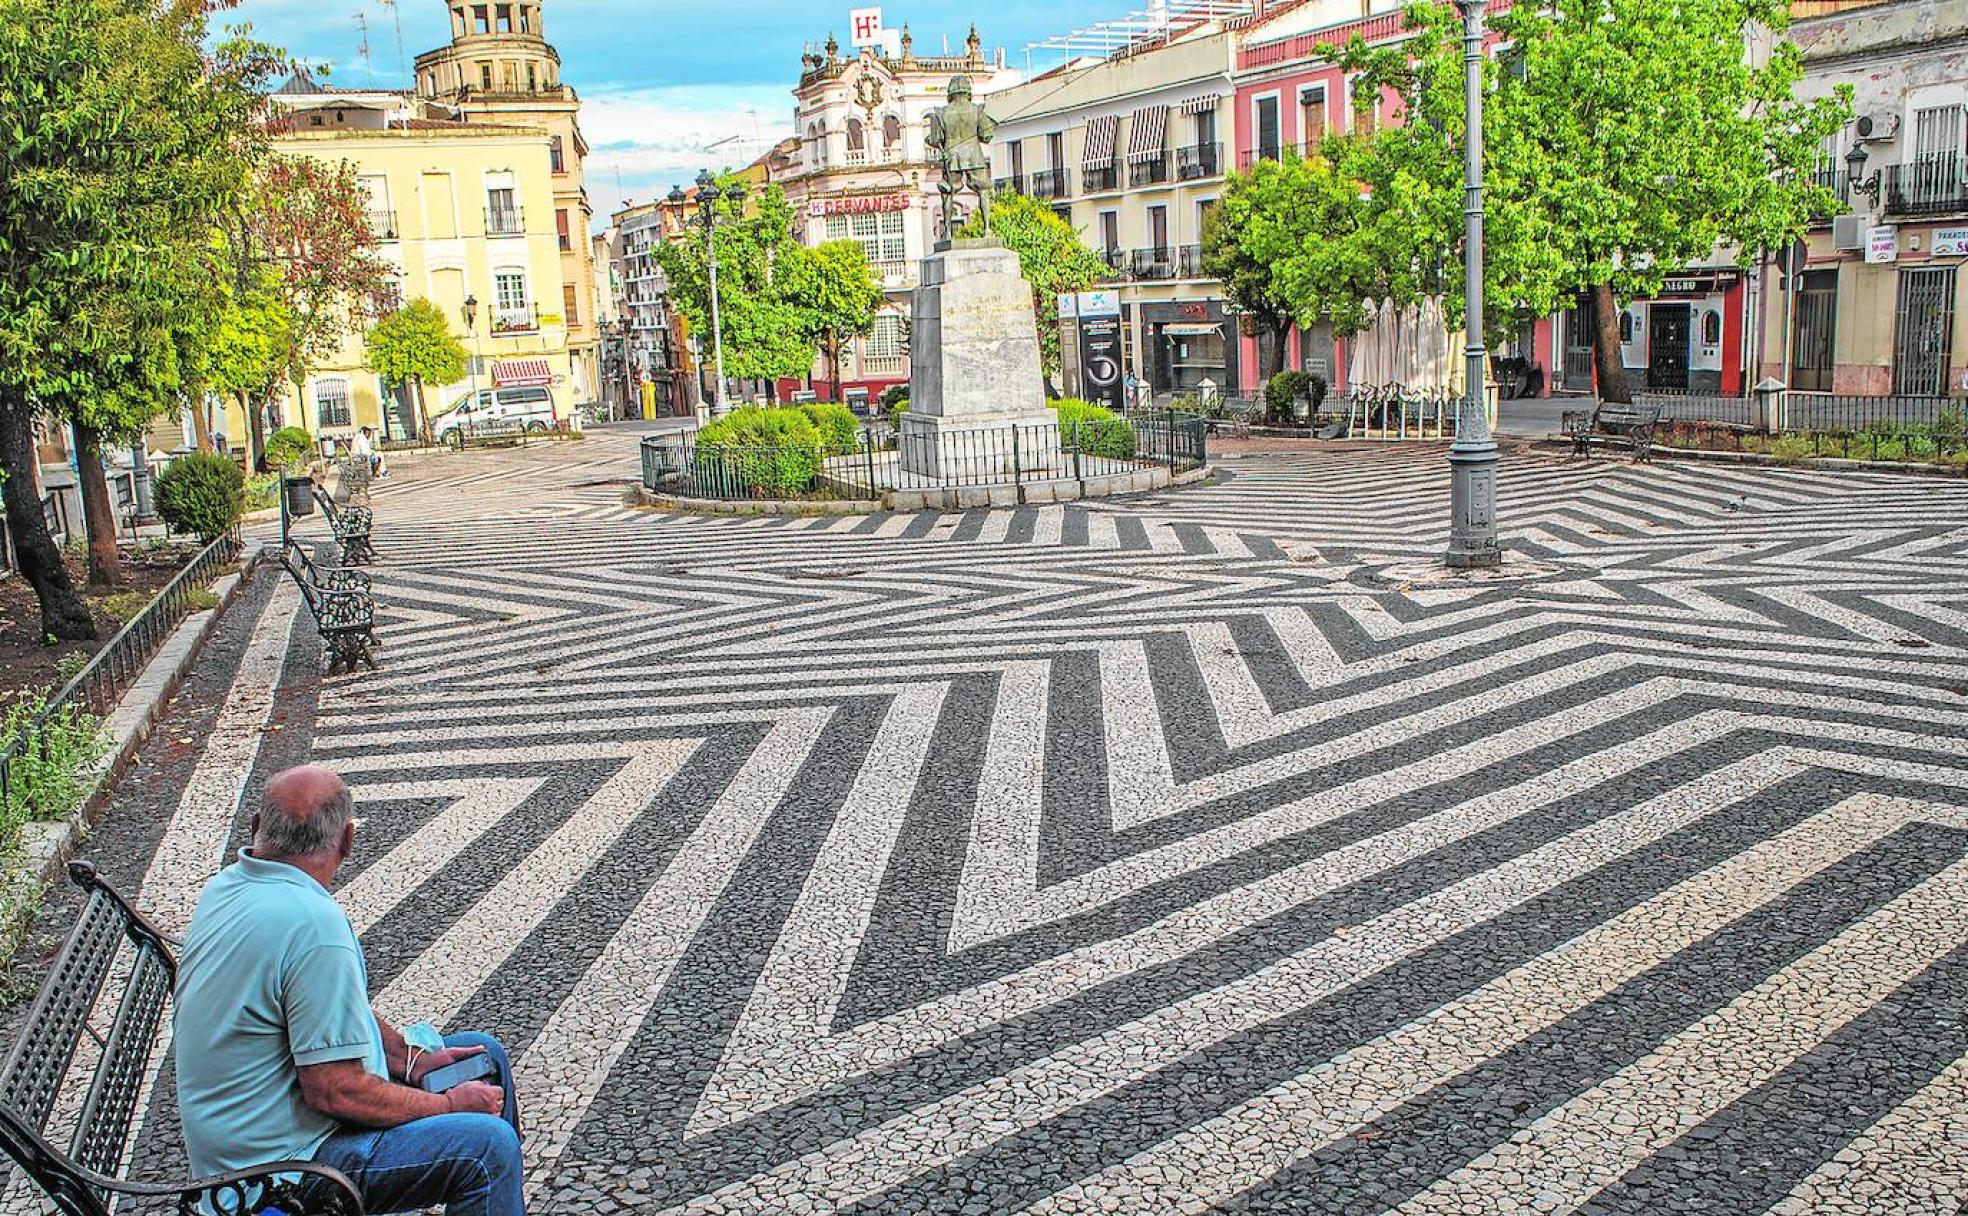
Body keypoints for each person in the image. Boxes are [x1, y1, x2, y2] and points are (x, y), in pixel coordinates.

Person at [175, 767, 524, 1216]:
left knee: (486, 1054)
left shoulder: (228, 888)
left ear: (258, 828)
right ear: (347, 841)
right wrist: (445, 1105)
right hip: (280, 1177)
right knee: (487, 1150)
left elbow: (324, 1009)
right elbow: (334, 1092)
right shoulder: (313, 926)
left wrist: (407, 1059)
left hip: (245, 1149)